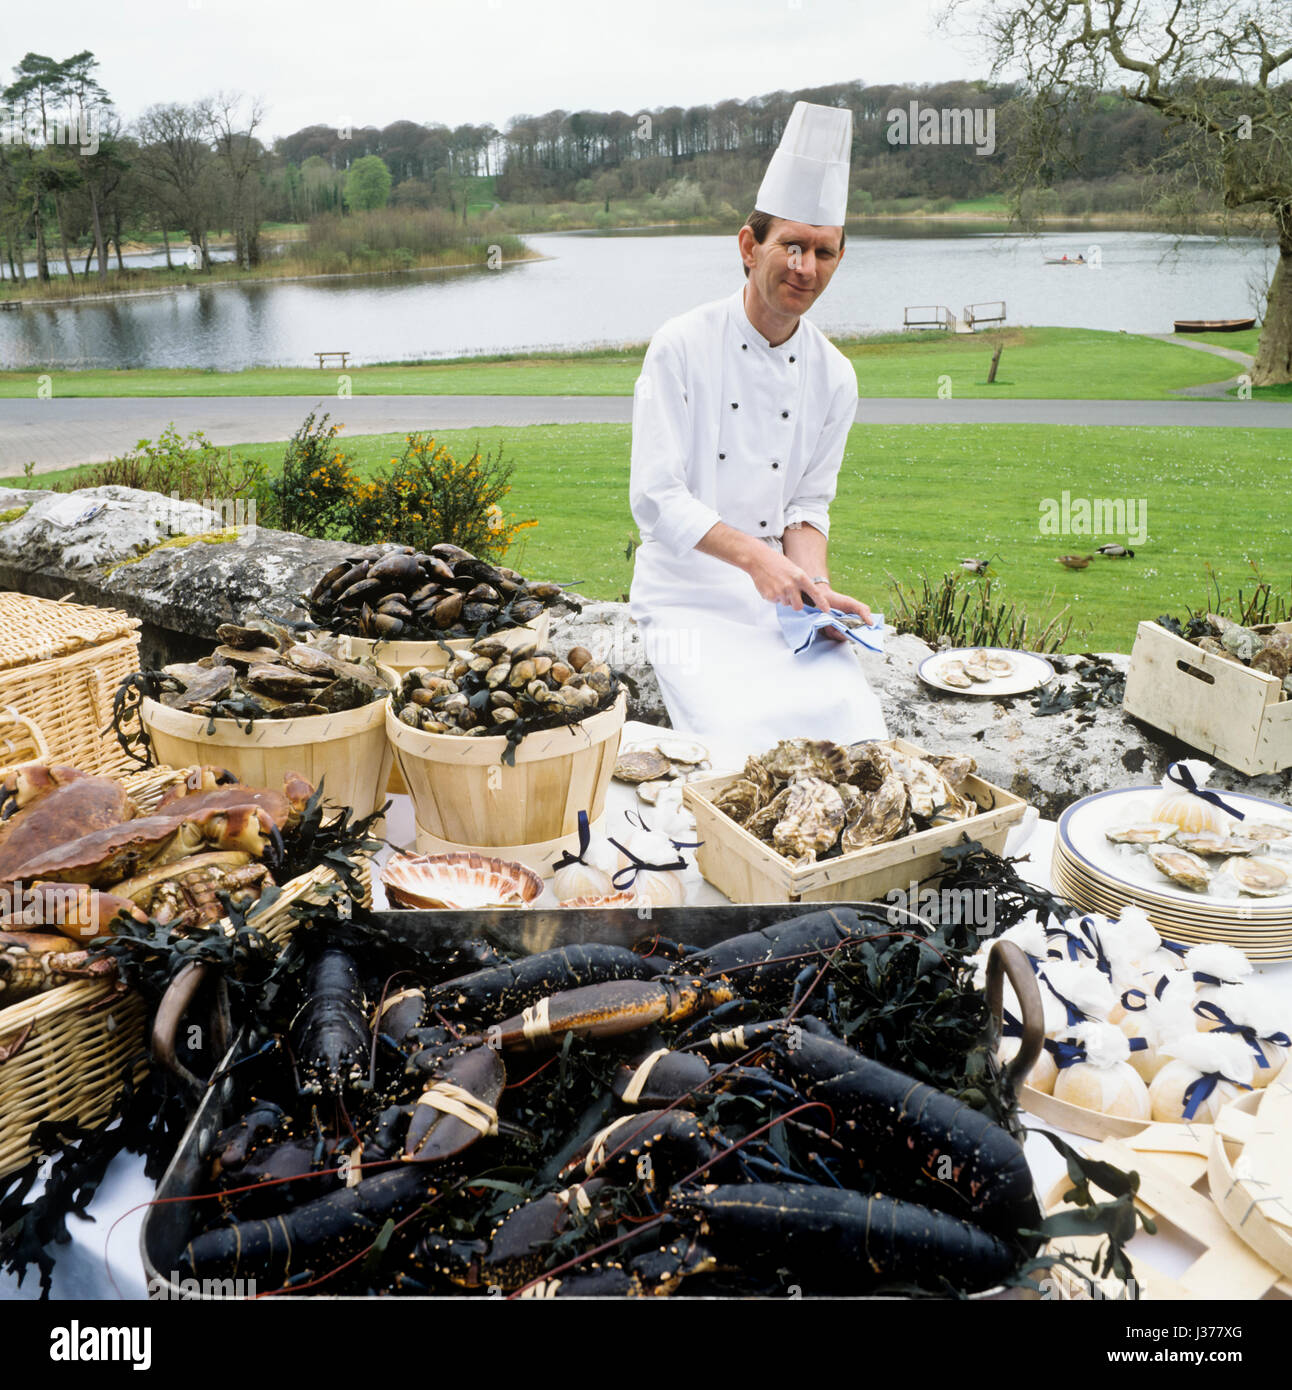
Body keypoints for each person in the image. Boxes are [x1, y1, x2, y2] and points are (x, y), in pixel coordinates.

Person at [628, 101, 887, 768]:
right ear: (750, 247)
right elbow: (658, 497)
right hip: (686, 594)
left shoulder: (836, 376)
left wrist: (814, 588)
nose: (805, 267)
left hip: (778, 600)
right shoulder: (680, 346)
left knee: (855, 731)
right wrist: (762, 563)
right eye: (791, 246)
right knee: (745, 748)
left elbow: (805, 506)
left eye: (823, 252)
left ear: (839, 257)